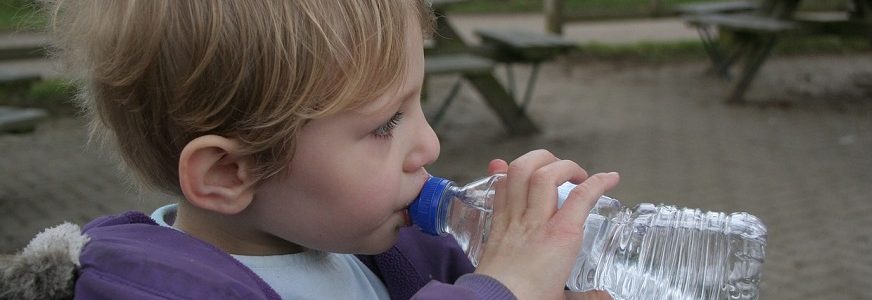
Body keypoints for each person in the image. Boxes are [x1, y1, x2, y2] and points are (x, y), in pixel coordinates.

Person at [1, 0, 619, 299]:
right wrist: (502, 288)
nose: (429, 143)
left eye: (417, 105)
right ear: (228, 172)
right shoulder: (149, 289)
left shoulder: (383, 255)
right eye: (386, 124)